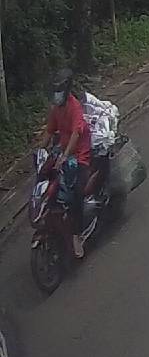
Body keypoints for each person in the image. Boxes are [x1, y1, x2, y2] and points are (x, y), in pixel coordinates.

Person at [34, 69, 91, 258]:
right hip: (61, 153)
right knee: (45, 180)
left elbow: (76, 133)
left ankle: (77, 234)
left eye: (59, 91)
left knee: (77, 192)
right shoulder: (56, 109)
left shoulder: (75, 107)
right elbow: (50, 131)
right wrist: (40, 150)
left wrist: (66, 156)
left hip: (79, 155)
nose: (56, 95)